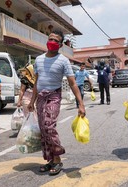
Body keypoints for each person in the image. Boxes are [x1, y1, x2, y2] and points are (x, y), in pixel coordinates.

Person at [27, 30, 86, 176]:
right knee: (43, 129)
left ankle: (58, 158)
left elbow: (72, 83)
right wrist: (32, 101)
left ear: (60, 45)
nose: (51, 41)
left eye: (55, 40)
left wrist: (81, 104)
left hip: (54, 96)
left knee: (49, 126)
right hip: (40, 97)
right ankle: (50, 160)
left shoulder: (63, 60)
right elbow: (36, 82)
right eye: (50, 38)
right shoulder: (38, 59)